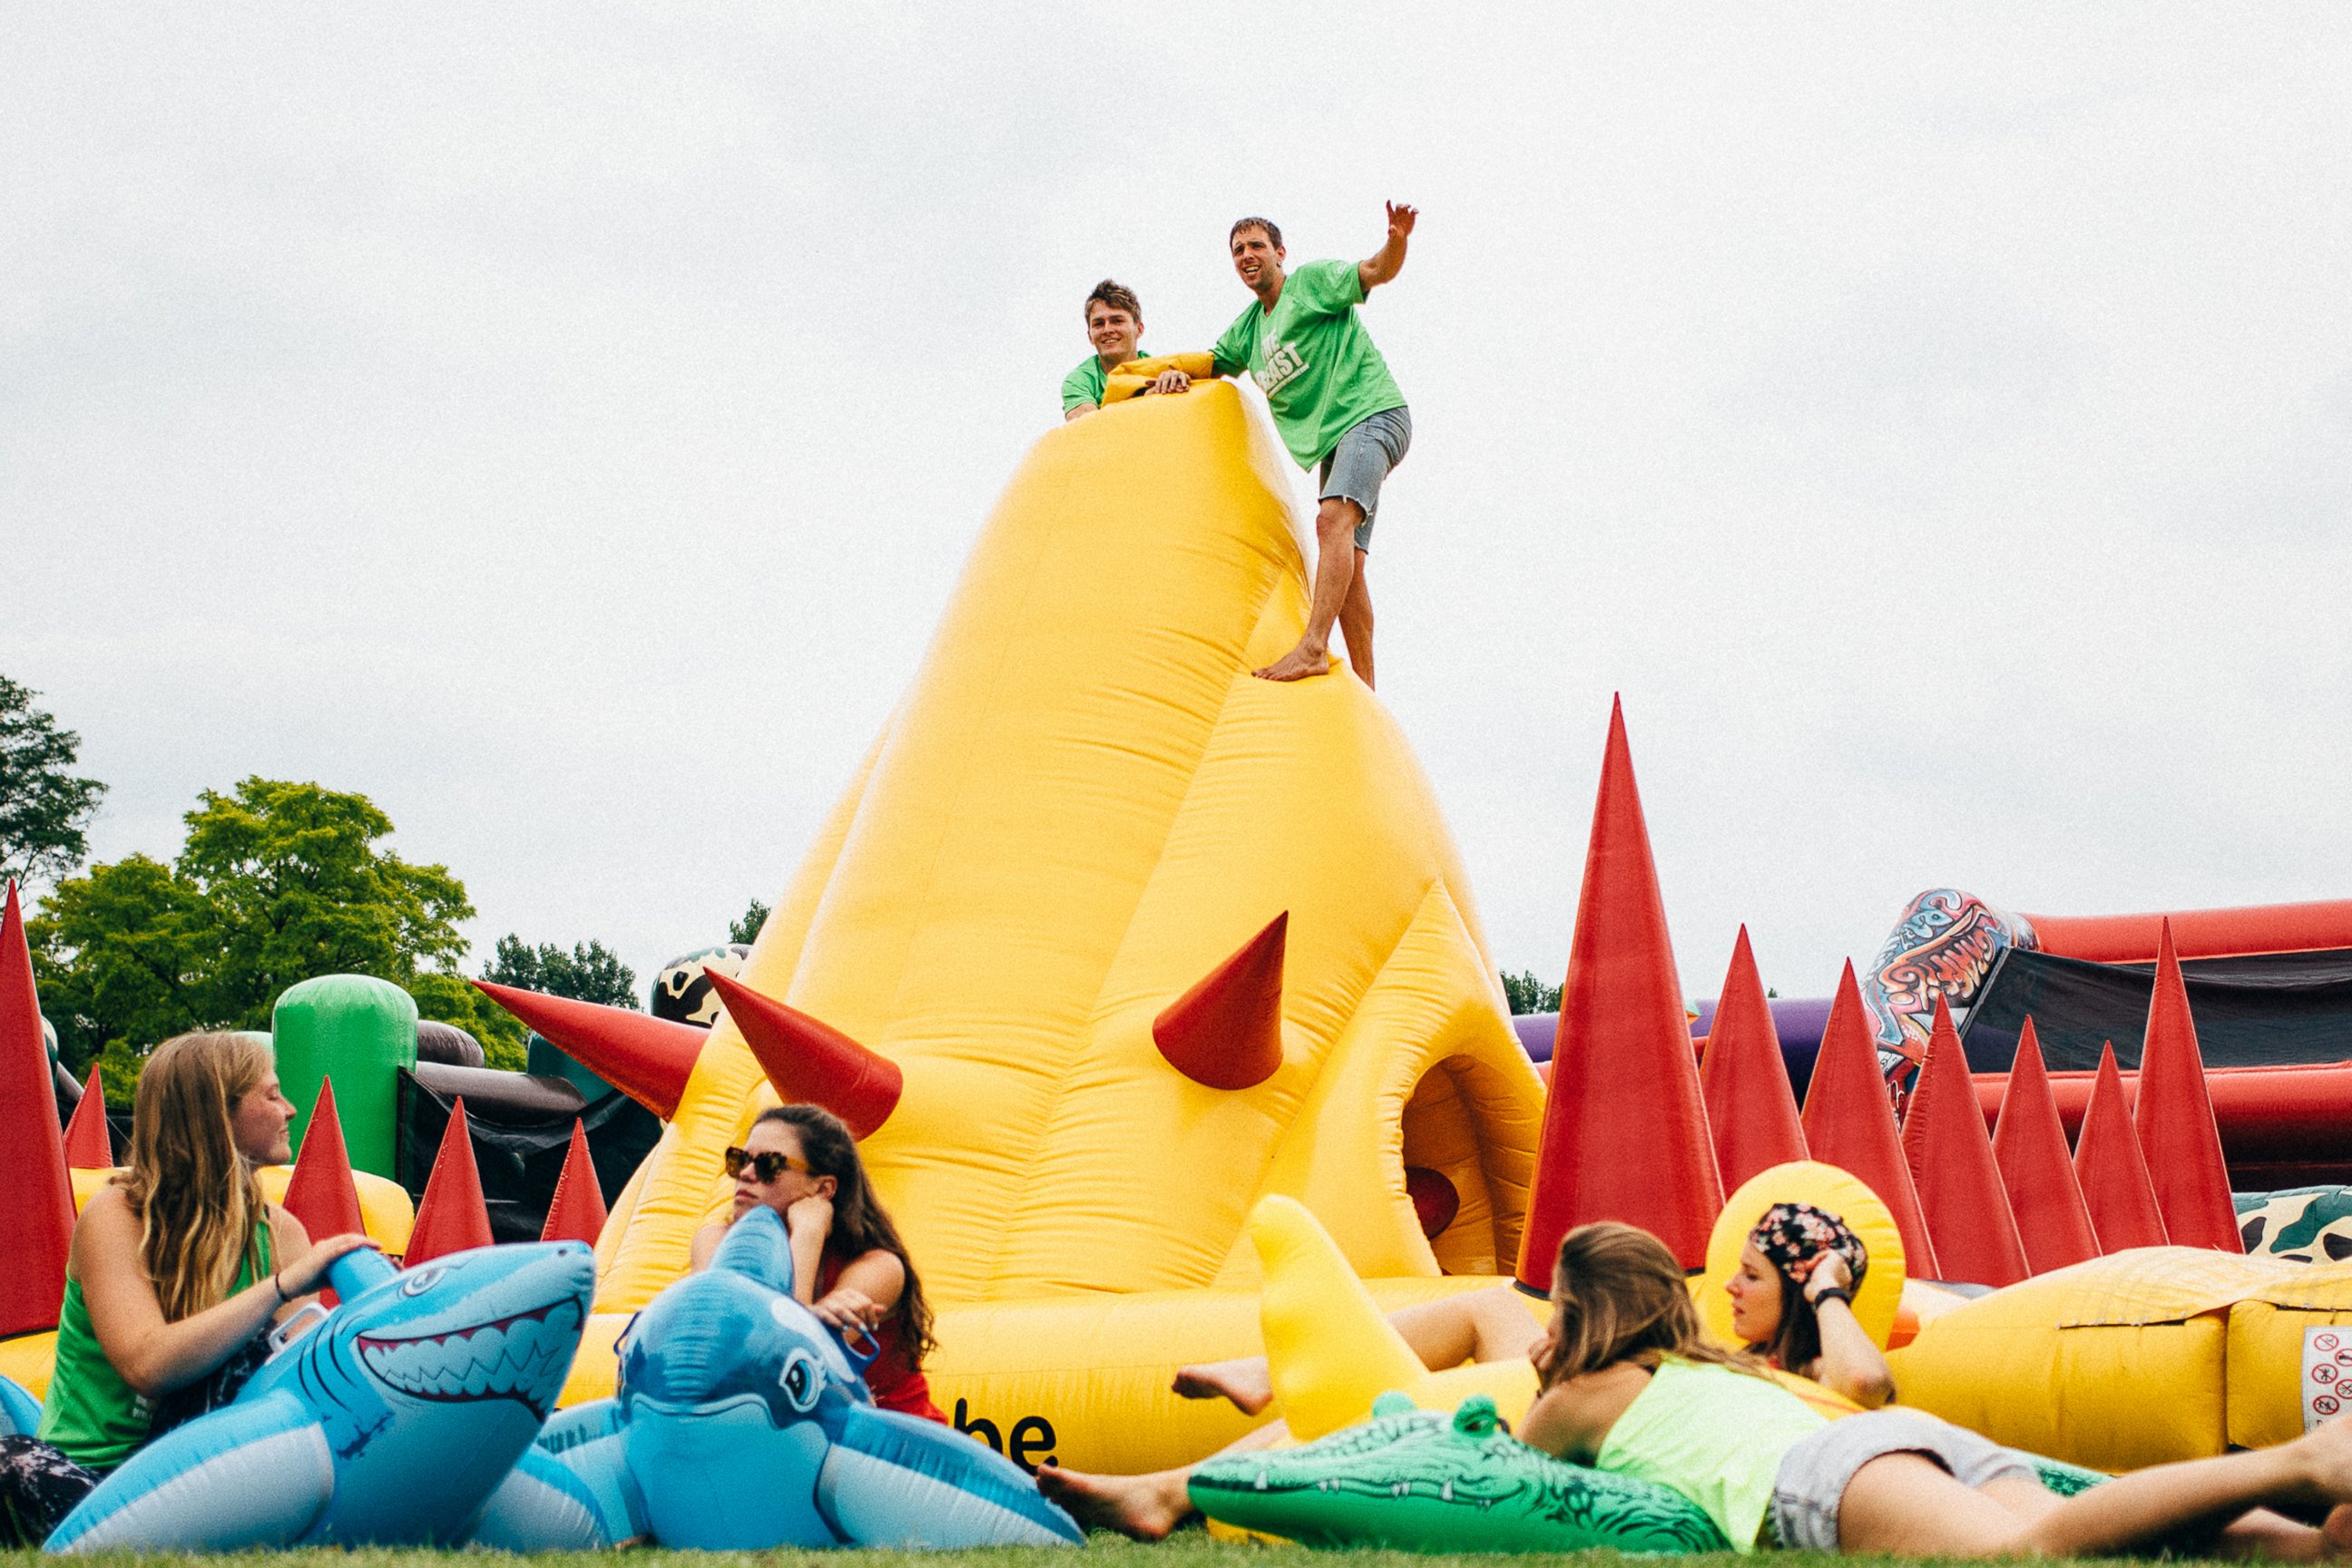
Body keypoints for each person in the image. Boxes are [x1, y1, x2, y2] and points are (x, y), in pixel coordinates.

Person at [1519, 1221, 2352, 1557]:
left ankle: (2307, 1465)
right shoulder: (1709, 1364)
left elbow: (1510, 1478)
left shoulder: (1579, 1397)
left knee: (2025, 1555)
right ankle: (2315, 1545)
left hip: (1834, 1469)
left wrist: (1542, 1375)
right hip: (1909, 1447)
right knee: (2085, 1536)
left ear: (1580, 1310)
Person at [0, 1032, 376, 1546]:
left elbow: (299, 1387)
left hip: (202, 1480)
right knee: (11, 1461)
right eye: (270, 1094)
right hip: (94, 1481)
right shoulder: (116, 1215)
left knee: (260, 1358)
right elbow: (146, 1365)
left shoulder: (280, 1233)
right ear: (216, 1111)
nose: (290, 1109)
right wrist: (280, 1286)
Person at [1159, 207, 1416, 689]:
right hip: (1337, 445)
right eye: (1237, 250)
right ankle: (1367, 688)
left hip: (1371, 415)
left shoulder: (1312, 284)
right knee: (1351, 566)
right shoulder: (1249, 330)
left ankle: (1313, 647)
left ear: (1279, 253)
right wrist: (1170, 373)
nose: (1246, 256)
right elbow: (1212, 363)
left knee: (1330, 521)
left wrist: (1396, 241)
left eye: (1256, 246)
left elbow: (1376, 271)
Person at [689, 1103, 943, 1423]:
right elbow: (714, 1345)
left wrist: (808, 1232)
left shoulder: (879, 1267)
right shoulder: (714, 1241)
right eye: (739, 1159)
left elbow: (787, 1360)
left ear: (823, 1189)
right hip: (785, 1441)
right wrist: (809, 1319)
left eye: (769, 1164)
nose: (746, 1173)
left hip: (889, 1449)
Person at [1727, 1202, 1894, 1409]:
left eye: (1751, 1275)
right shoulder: (1746, 1358)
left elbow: (1865, 1381)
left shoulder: (1817, 1372)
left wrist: (1824, 1286)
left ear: (1796, 1294)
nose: (1730, 1285)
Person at [1061, 280, 1151, 422]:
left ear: (1138, 329)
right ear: (1090, 336)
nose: (1107, 330)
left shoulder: (1158, 370)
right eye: (1099, 324)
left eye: (1117, 321)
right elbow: (1090, 429)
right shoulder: (1079, 381)